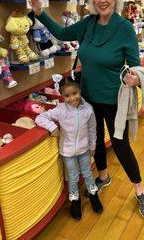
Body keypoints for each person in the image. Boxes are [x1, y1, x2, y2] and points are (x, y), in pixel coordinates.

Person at [30, 0, 144, 218]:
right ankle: (103, 176)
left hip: (114, 98)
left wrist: (135, 77)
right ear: (92, 0)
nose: (102, 0)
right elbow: (63, 34)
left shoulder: (124, 28)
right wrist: (39, 12)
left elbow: (135, 65)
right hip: (88, 96)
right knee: (93, 140)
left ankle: (140, 191)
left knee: (120, 145)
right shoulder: (88, 23)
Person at [35, 77, 103, 221]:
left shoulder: (88, 109)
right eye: (67, 95)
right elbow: (40, 118)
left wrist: (92, 146)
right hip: (67, 152)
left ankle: (93, 195)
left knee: (87, 173)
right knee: (72, 177)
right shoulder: (60, 110)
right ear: (62, 96)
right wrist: (52, 127)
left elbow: (92, 129)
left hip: (84, 150)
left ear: (79, 91)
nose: (72, 98)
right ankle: (75, 201)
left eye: (75, 93)